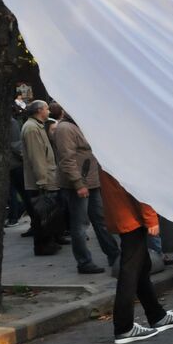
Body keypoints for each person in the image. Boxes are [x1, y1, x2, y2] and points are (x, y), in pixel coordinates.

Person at [99, 169, 173, 344]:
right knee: (131, 270)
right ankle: (124, 327)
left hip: (122, 211)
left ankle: (156, 315)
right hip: (131, 214)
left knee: (140, 267)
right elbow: (137, 183)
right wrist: (151, 218)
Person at [51, 108, 119, 274]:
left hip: (91, 181)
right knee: (80, 225)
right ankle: (84, 262)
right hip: (78, 184)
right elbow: (67, 160)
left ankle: (115, 255)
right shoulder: (65, 128)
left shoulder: (79, 124)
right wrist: (78, 184)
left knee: (101, 220)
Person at [20, 100, 69, 259]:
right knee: (42, 215)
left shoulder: (37, 126)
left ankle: (51, 241)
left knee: (49, 214)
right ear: (39, 110)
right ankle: (44, 246)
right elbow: (37, 157)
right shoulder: (31, 128)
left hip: (47, 177)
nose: (49, 111)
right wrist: (42, 181)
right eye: (47, 108)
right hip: (42, 181)